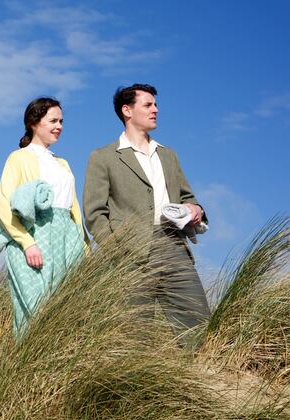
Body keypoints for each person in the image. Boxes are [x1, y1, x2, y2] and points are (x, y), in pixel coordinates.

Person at [82, 83, 210, 340]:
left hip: (174, 247)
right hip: (130, 252)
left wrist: (195, 209)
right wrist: (118, 251)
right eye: (148, 105)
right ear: (127, 110)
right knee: (136, 334)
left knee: (199, 325)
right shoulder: (103, 157)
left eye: (156, 105)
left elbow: (188, 196)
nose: (156, 110)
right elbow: (94, 213)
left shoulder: (168, 155)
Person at [0, 97, 86, 334]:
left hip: (68, 237)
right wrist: (27, 243)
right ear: (34, 122)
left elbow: (74, 207)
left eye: (61, 121)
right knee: (35, 309)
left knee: (68, 309)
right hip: (35, 235)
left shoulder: (63, 163)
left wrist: (83, 243)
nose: (59, 126)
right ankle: (27, 357)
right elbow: (4, 203)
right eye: (53, 121)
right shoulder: (19, 157)